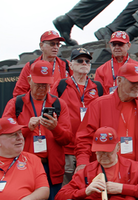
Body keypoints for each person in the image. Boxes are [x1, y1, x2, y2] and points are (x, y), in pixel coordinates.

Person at [2, 60, 72, 200]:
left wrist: (55, 128)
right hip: (23, 168)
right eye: (38, 83)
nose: (42, 87)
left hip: (52, 168)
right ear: (29, 80)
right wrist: (27, 128)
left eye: (46, 84)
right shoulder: (16, 103)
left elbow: (67, 139)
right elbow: (4, 137)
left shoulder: (59, 104)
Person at [75, 63, 138, 173]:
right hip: (105, 170)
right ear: (119, 80)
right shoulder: (99, 105)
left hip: (137, 172)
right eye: (133, 82)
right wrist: (82, 163)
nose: (137, 85)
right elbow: (84, 138)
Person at [56, 127, 138, 200]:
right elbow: (60, 195)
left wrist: (122, 188)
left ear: (118, 147)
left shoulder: (134, 167)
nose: (104, 156)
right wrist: (85, 191)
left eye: (108, 152)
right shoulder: (86, 171)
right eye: (100, 152)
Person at [50, 48, 102, 185]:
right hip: (67, 149)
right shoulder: (61, 85)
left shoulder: (98, 88)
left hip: (90, 150)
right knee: (67, 188)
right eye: (79, 60)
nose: (84, 63)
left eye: (87, 61)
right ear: (71, 65)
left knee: (89, 188)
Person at [0, 117, 50, 200]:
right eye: (13, 134)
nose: (20, 137)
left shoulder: (33, 159)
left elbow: (44, 190)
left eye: (20, 133)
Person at [13, 30, 71, 97]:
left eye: (58, 44)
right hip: (38, 105)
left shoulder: (66, 64)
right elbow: (19, 92)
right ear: (41, 46)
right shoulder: (31, 65)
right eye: (52, 44)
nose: (56, 47)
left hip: (60, 105)